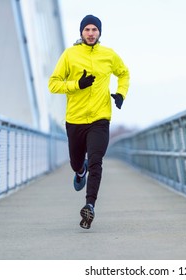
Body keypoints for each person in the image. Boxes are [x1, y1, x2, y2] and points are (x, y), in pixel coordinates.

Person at [48, 15, 130, 229]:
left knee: (96, 160)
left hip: (100, 119)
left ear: (99, 32)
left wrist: (121, 94)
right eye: (87, 29)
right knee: (77, 162)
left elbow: (124, 73)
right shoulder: (70, 55)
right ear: (81, 32)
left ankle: (90, 205)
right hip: (75, 119)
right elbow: (53, 84)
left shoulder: (108, 55)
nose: (91, 33)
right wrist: (77, 84)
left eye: (95, 29)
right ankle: (79, 170)